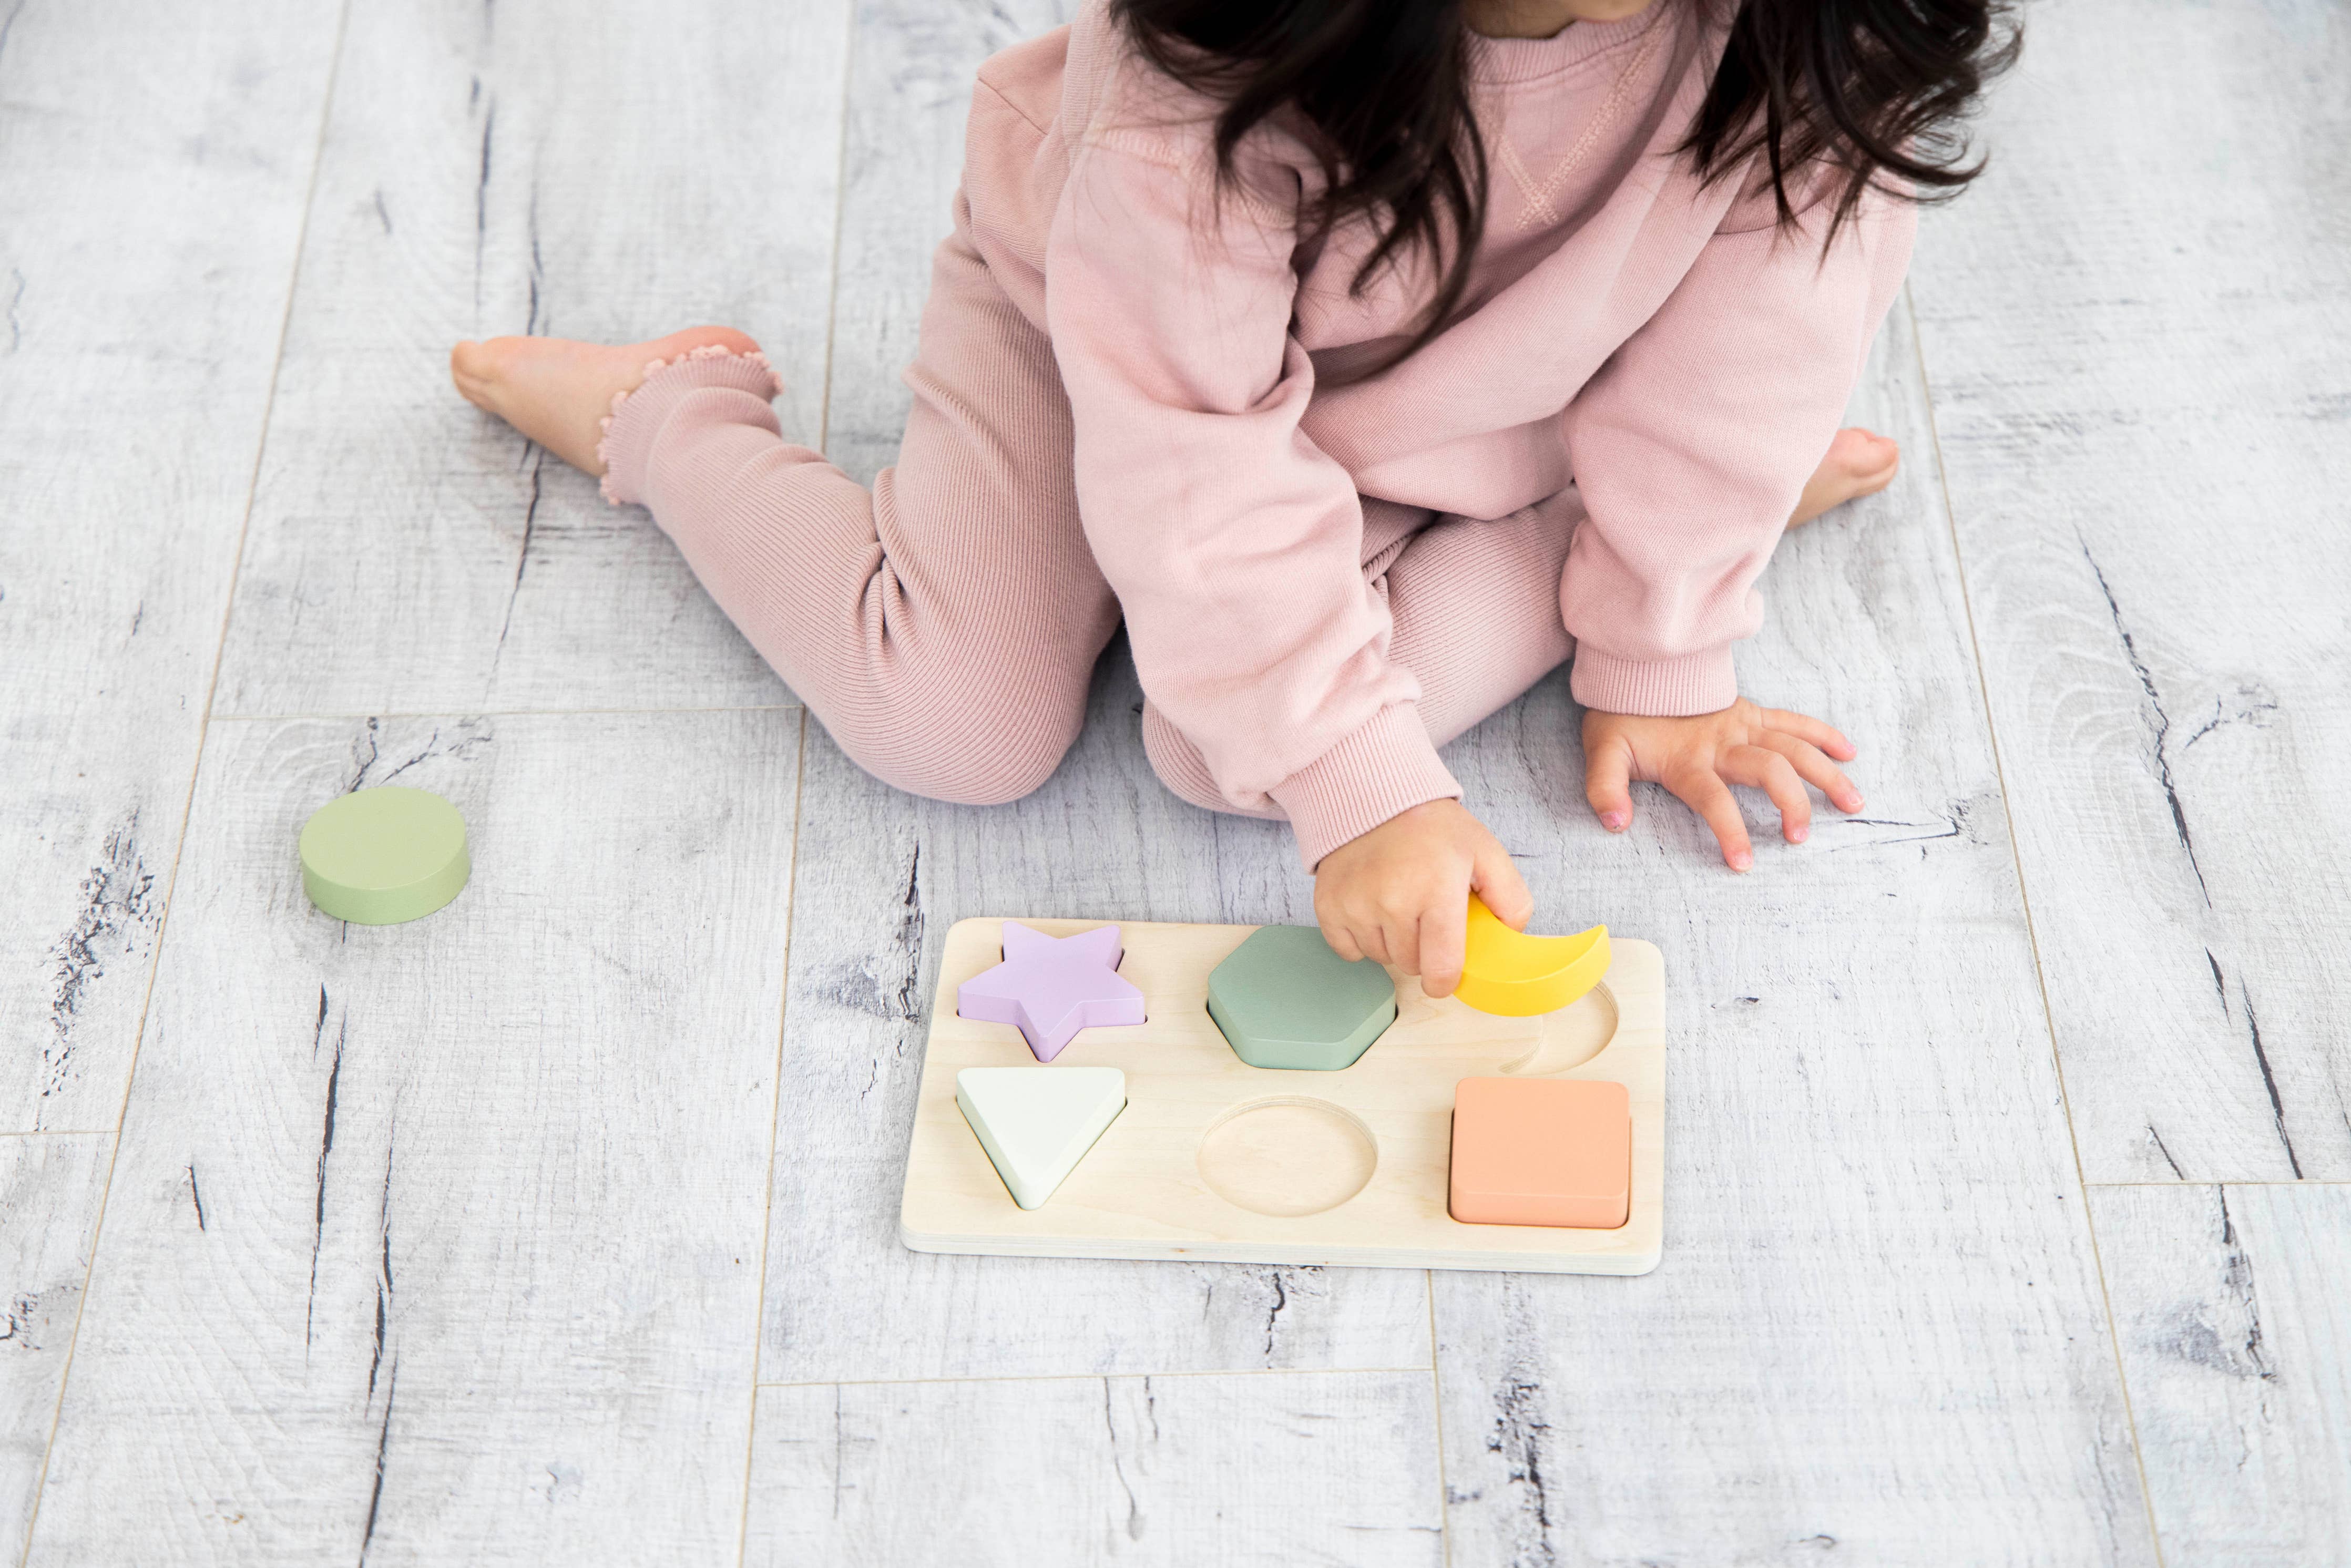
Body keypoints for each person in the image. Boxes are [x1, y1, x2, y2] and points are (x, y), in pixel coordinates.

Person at [451, 0, 2014, 995]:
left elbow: (1760, 328)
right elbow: (1187, 433)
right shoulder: (1219, 55)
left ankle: (1670, 518)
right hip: (1113, 349)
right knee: (953, 722)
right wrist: (1367, 783)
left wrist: (1664, 645)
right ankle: (663, 419)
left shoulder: (1816, 35)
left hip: (1498, 394)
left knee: (1224, 752)